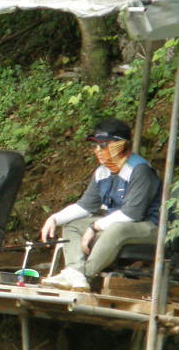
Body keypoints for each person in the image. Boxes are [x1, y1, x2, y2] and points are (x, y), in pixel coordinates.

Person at [39, 117, 161, 291]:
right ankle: (74, 271)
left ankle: (84, 275)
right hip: (114, 223)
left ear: (120, 145)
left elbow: (131, 214)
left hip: (149, 226)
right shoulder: (102, 172)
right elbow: (85, 206)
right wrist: (55, 219)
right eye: (95, 146)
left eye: (102, 145)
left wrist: (95, 227)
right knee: (72, 225)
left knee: (117, 228)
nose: (97, 150)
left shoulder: (139, 169)